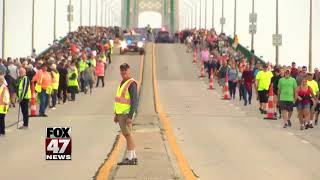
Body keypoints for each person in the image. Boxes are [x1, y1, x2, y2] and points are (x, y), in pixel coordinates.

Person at [114, 63, 138, 165]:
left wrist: (130, 116)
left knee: (128, 135)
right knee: (128, 135)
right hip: (121, 113)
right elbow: (119, 100)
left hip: (126, 114)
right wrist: (116, 114)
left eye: (125, 70)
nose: (123, 72)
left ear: (129, 70)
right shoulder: (123, 82)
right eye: (122, 70)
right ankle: (133, 156)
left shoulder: (131, 83)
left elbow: (134, 101)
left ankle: (130, 158)